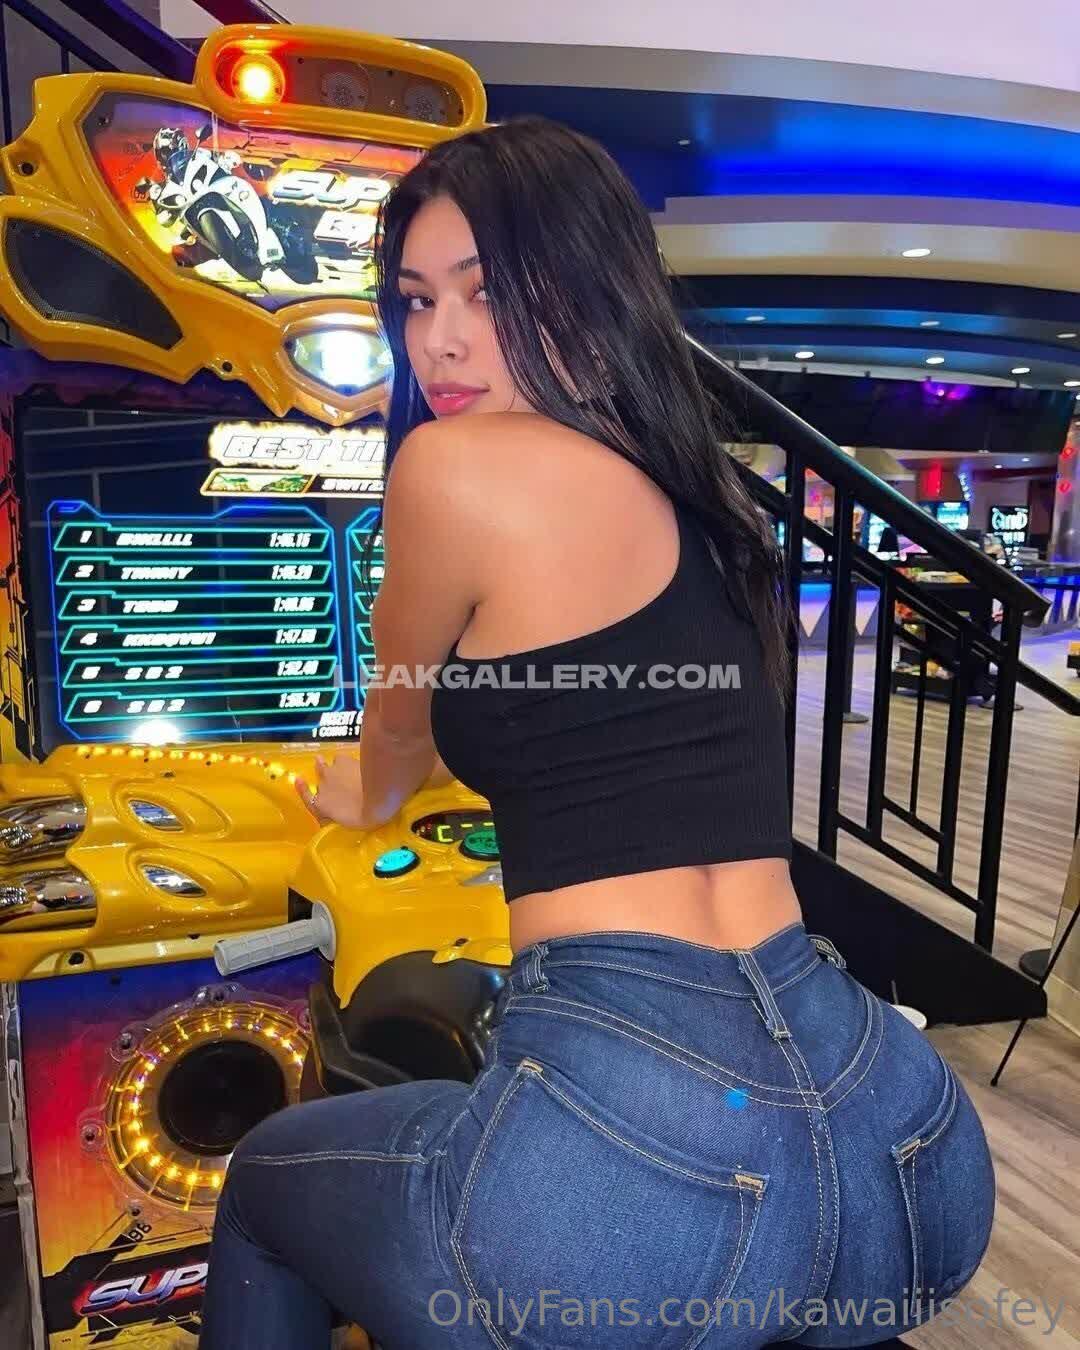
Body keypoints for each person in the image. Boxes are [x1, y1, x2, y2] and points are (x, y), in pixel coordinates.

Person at [199, 117, 995, 1349]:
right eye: (416, 300)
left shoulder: (450, 466)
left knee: (263, 1188)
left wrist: (358, 794)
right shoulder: (711, 502)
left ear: (581, 288)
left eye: (486, 292)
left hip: (651, 1170)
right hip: (899, 1147)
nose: (439, 339)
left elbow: (391, 748)